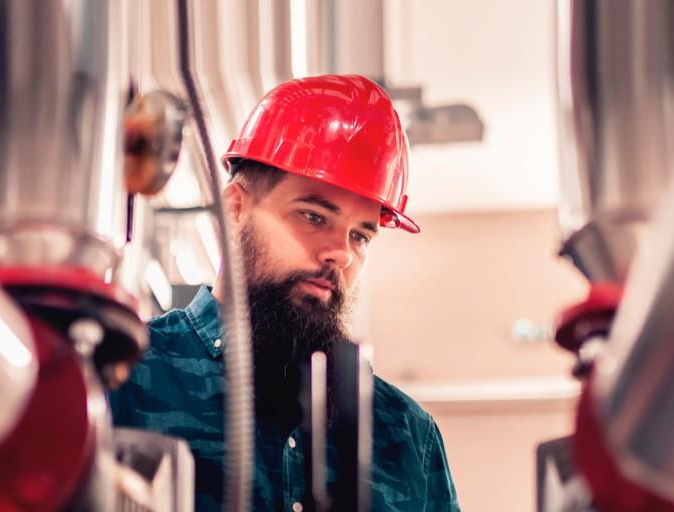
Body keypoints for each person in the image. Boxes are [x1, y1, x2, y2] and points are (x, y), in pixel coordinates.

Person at [109, 74, 459, 511]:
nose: (340, 254)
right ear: (235, 209)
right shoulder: (122, 377)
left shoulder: (406, 436)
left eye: (360, 237)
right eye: (313, 216)